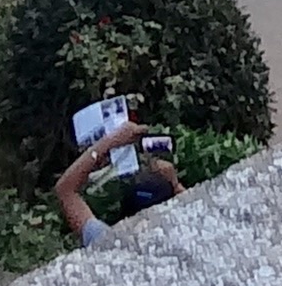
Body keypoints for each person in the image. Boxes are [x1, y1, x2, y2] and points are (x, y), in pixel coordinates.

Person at [52, 94, 185, 245]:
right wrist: (175, 186)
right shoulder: (188, 245)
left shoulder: (108, 244)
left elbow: (65, 190)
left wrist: (110, 141)